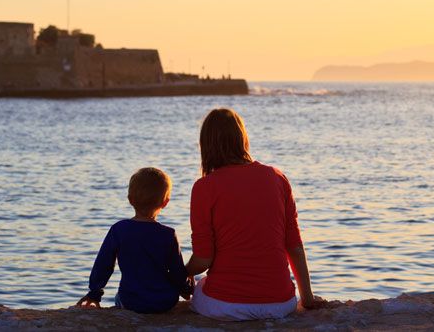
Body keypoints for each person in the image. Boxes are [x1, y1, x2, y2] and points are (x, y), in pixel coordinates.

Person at [186, 108, 324, 321]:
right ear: (242, 138)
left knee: (200, 287)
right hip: (280, 304)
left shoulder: (204, 187)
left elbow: (203, 259)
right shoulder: (277, 178)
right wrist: (307, 299)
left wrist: (181, 272)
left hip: (226, 306)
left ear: (207, 145)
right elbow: (294, 246)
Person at [76, 167, 193, 313]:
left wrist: (94, 293)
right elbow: (177, 272)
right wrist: (187, 288)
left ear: (130, 200)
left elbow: (103, 265)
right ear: (165, 202)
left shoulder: (119, 230)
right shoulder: (168, 234)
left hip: (131, 301)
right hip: (165, 301)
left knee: (119, 297)